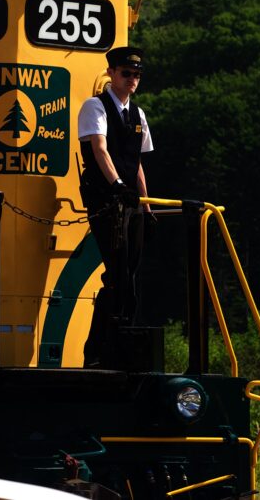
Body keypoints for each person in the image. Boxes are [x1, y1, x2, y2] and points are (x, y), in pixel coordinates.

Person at [77, 46, 154, 368]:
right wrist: (116, 186)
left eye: (137, 74)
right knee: (118, 269)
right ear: (111, 73)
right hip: (105, 198)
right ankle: (98, 349)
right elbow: (99, 149)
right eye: (126, 73)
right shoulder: (95, 107)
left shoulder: (138, 115)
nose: (132, 79)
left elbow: (136, 163)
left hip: (130, 202)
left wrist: (145, 203)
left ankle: (116, 342)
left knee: (129, 274)